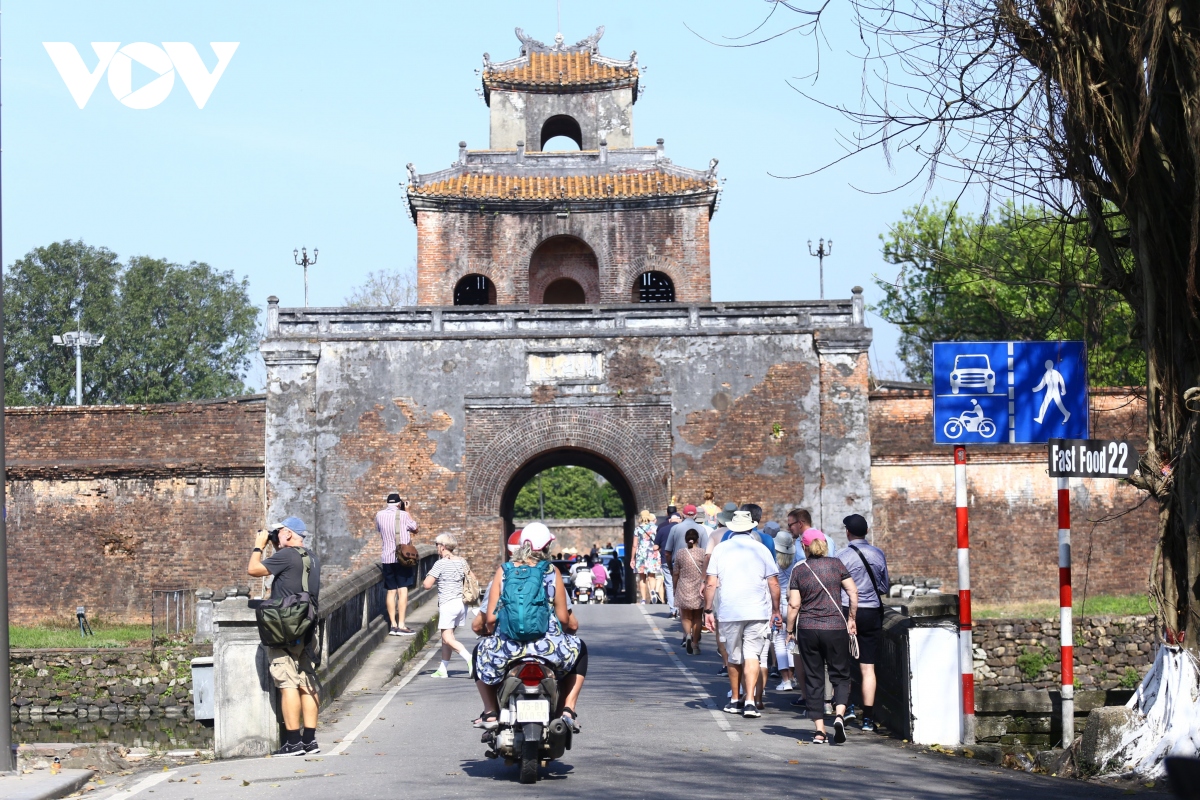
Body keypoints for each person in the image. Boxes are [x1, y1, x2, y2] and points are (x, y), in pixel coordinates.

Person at [473, 523, 586, 732]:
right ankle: (568, 710)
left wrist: (492, 632)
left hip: (507, 648)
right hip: (547, 648)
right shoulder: (551, 571)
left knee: (478, 652)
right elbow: (564, 619)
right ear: (546, 547)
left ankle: (490, 712)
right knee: (581, 649)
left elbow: (490, 619)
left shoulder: (504, 571)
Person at [248, 516, 323, 756]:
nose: (276, 535)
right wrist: (276, 543)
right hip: (308, 627)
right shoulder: (312, 557)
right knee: (307, 680)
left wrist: (259, 546)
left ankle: (293, 742)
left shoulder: (287, 555)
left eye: (279, 531)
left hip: (285, 629)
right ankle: (309, 741)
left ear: (289, 534)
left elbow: (253, 569)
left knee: (287, 681)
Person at [703, 510, 781, 719]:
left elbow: (711, 583)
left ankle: (735, 699)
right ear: (751, 527)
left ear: (731, 527)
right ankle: (750, 701)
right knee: (752, 655)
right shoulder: (761, 549)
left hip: (730, 610)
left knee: (734, 656)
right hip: (756, 610)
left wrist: (708, 609)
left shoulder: (721, 550)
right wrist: (775, 610)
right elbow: (773, 583)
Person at [787, 529, 859, 745]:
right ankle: (839, 716)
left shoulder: (799, 570)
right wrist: (851, 618)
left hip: (808, 629)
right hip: (835, 628)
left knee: (814, 677)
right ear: (825, 545)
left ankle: (819, 731)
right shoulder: (837, 564)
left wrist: (789, 630)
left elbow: (794, 604)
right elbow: (853, 592)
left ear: (804, 547)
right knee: (841, 675)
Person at [836, 513, 890, 733]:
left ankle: (847, 706)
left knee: (844, 663)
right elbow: (884, 587)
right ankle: (868, 719)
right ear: (866, 531)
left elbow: (835, 587)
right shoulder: (878, 554)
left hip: (847, 610)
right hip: (872, 612)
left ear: (848, 532)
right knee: (868, 667)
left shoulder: (841, 556)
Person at [422, 534, 473, 678]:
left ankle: (469, 658)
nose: (436, 547)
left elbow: (427, 585)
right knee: (447, 638)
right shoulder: (462, 561)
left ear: (443, 546)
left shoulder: (440, 563)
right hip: (461, 604)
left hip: (448, 604)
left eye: (437, 545)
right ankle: (443, 669)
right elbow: (472, 578)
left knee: (448, 639)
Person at [376, 493, 419, 636]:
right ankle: (401, 625)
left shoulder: (379, 515)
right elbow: (415, 528)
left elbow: (380, 530)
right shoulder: (404, 515)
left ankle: (393, 625)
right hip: (402, 558)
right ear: (399, 504)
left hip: (387, 558)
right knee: (402, 590)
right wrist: (408, 511)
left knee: (391, 591)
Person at [672, 528, 707, 654]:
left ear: (686, 540)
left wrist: (674, 587)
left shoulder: (680, 553)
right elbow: (707, 571)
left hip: (684, 587)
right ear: (698, 539)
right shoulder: (703, 553)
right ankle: (695, 644)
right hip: (698, 588)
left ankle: (687, 635)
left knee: (686, 616)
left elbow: (676, 572)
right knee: (697, 617)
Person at [772, 529, 798, 692]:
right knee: (792, 641)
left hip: (778, 605)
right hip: (793, 604)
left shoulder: (774, 563)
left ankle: (785, 679)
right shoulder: (796, 563)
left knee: (779, 642)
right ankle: (793, 677)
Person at [633, 510, 661, 604]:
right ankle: (652, 590)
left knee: (642, 577)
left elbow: (634, 545)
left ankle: (643, 599)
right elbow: (658, 541)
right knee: (652, 575)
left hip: (641, 555)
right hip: (652, 553)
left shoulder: (638, 529)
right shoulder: (655, 528)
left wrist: (632, 558)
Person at [655, 509, 680, 611]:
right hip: (680, 560)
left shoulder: (662, 529)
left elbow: (655, 547)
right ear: (679, 520)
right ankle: (680, 609)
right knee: (680, 584)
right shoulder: (682, 530)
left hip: (666, 560)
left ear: (670, 520)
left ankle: (673, 609)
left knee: (669, 584)